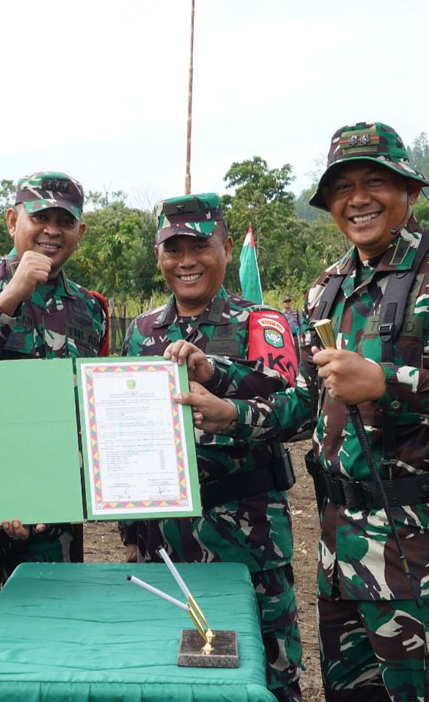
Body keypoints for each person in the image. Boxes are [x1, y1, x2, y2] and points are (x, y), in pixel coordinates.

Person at [185, 122, 429, 701]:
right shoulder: (329, 289)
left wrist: (388, 382)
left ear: (409, 192)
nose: (358, 199)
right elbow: (304, 402)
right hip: (341, 551)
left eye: (375, 181)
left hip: (428, 552)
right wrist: (228, 404)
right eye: (343, 188)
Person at [121, 193, 304, 702]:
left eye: (199, 246)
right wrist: (131, 530)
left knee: (268, 668)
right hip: (165, 536)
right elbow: (128, 433)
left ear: (225, 246)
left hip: (246, 529)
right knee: (171, 670)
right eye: (172, 249)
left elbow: (294, 409)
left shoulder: (259, 323)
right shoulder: (142, 333)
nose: (186, 262)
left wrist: (227, 397)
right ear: (158, 255)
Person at [0, 170, 108, 638]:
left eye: (64, 220)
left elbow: (85, 407)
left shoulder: (89, 308)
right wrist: (12, 294)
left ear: (80, 232)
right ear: (13, 220)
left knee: (50, 636)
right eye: (41, 217)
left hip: (53, 513)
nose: (52, 230)